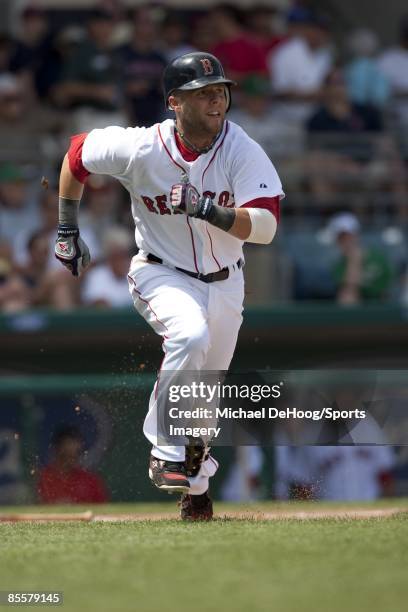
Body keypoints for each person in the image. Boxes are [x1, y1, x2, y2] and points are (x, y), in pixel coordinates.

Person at [54, 52, 283, 520]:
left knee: (204, 397)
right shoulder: (141, 147)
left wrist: (210, 211)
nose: (217, 101)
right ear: (175, 102)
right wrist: (66, 229)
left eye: (220, 91)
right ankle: (164, 451)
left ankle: (195, 489)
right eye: (204, 94)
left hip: (226, 283)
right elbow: (77, 153)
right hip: (161, 271)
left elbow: (266, 226)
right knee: (189, 335)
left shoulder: (241, 148)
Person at [38, 425, 109, 504]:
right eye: (66, 455)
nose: (71, 460)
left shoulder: (90, 480)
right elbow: (34, 505)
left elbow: (103, 510)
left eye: (75, 455)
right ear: (57, 450)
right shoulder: (43, 478)